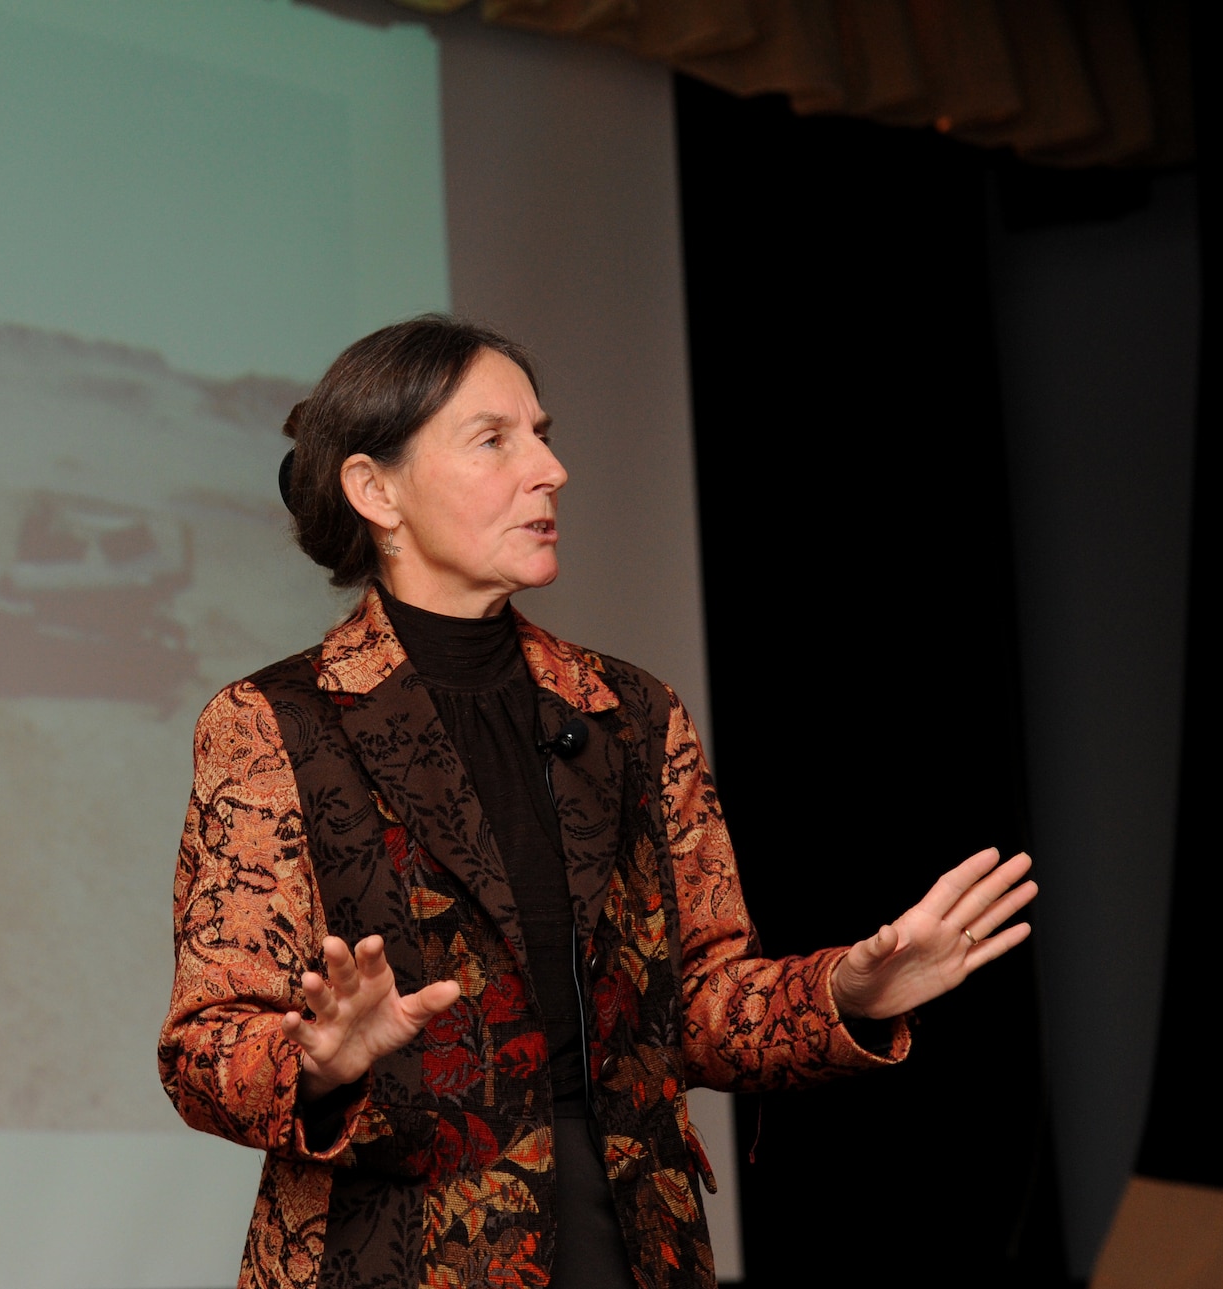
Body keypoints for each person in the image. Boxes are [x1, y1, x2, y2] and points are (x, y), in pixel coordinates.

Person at [158, 317, 1036, 1288]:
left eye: (542, 432)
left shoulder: (628, 709)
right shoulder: (274, 720)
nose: (549, 468)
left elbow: (696, 1004)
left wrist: (845, 995)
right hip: (388, 1251)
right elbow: (204, 1046)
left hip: (629, 1242)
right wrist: (318, 1059)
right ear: (375, 490)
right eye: (494, 439)